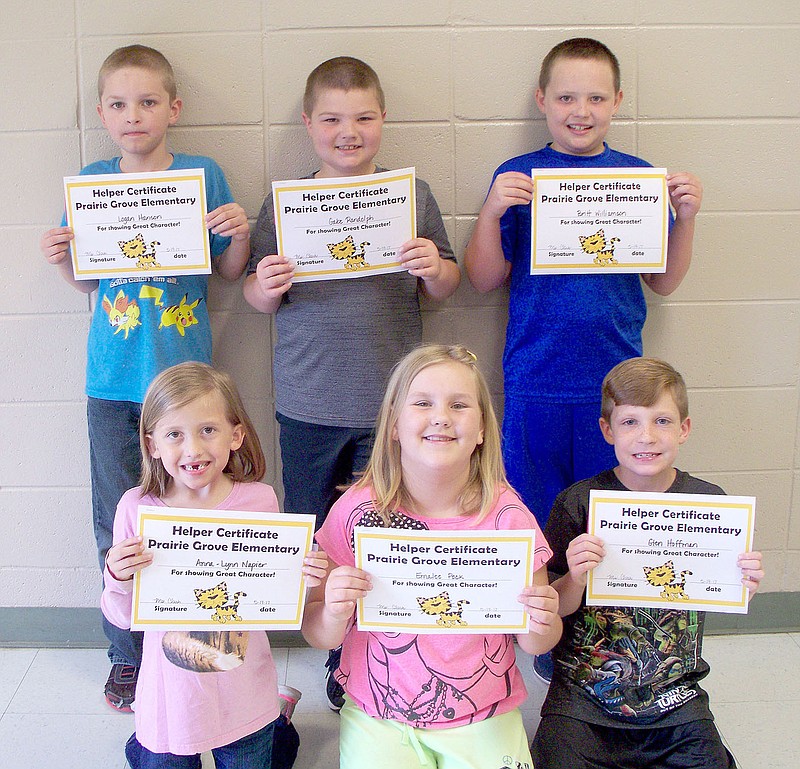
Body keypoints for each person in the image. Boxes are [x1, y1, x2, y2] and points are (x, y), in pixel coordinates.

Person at [244, 55, 460, 709]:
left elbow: (448, 286)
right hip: (307, 404)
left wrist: (432, 268)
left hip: (393, 410)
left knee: (384, 535)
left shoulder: (411, 196)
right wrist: (266, 284)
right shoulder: (285, 202)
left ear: (383, 120)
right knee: (318, 535)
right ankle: (333, 644)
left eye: (364, 116)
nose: (349, 130)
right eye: (333, 118)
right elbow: (253, 295)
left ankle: (368, 657)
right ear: (309, 123)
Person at [39, 44, 251, 710]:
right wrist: (60, 258)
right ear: (103, 113)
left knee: (203, 517)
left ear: (173, 108)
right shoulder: (92, 180)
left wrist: (238, 231)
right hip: (111, 384)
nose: (134, 115)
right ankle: (126, 656)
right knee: (118, 525)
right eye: (119, 104)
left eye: (149, 101)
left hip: (187, 391)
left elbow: (227, 268)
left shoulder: (201, 172)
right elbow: (87, 281)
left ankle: (208, 640)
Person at [464, 38, 704, 532]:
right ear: (542, 100)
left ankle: (599, 613)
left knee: (611, 524)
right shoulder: (517, 176)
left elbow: (663, 282)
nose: (581, 111)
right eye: (566, 98)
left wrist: (687, 218)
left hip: (619, 389)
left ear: (617, 101)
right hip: (536, 379)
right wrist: (491, 212)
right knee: (535, 520)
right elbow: (484, 279)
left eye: (596, 98)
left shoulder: (639, 178)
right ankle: (546, 609)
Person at [302, 344, 562, 769]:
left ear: (481, 429)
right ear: (394, 426)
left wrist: (544, 620)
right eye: (422, 403)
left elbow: (537, 643)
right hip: (377, 712)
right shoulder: (355, 510)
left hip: (483, 710)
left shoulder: (507, 515)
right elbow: (318, 635)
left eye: (459, 405)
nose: (441, 416)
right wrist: (332, 610)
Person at [530, 357, 764, 769]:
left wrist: (740, 577)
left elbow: (716, 587)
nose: (647, 437)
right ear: (607, 430)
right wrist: (576, 577)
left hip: (677, 700)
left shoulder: (710, 504)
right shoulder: (577, 502)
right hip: (582, 699)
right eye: (630, 422)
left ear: (684, 429)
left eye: (661, 421)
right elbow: (553, 607)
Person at [101, 362, 327, 768]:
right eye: (174, 434)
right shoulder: (137, 508)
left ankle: (278, 721)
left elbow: (276, 599)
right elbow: (120, 615)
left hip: (243, 687)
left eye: (208, 430)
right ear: (152, 444)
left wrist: (305, 575)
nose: (193, 449)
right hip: (170, 691)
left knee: (256, 755)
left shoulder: (259, 500)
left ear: (235, 435)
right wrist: (118, 576)